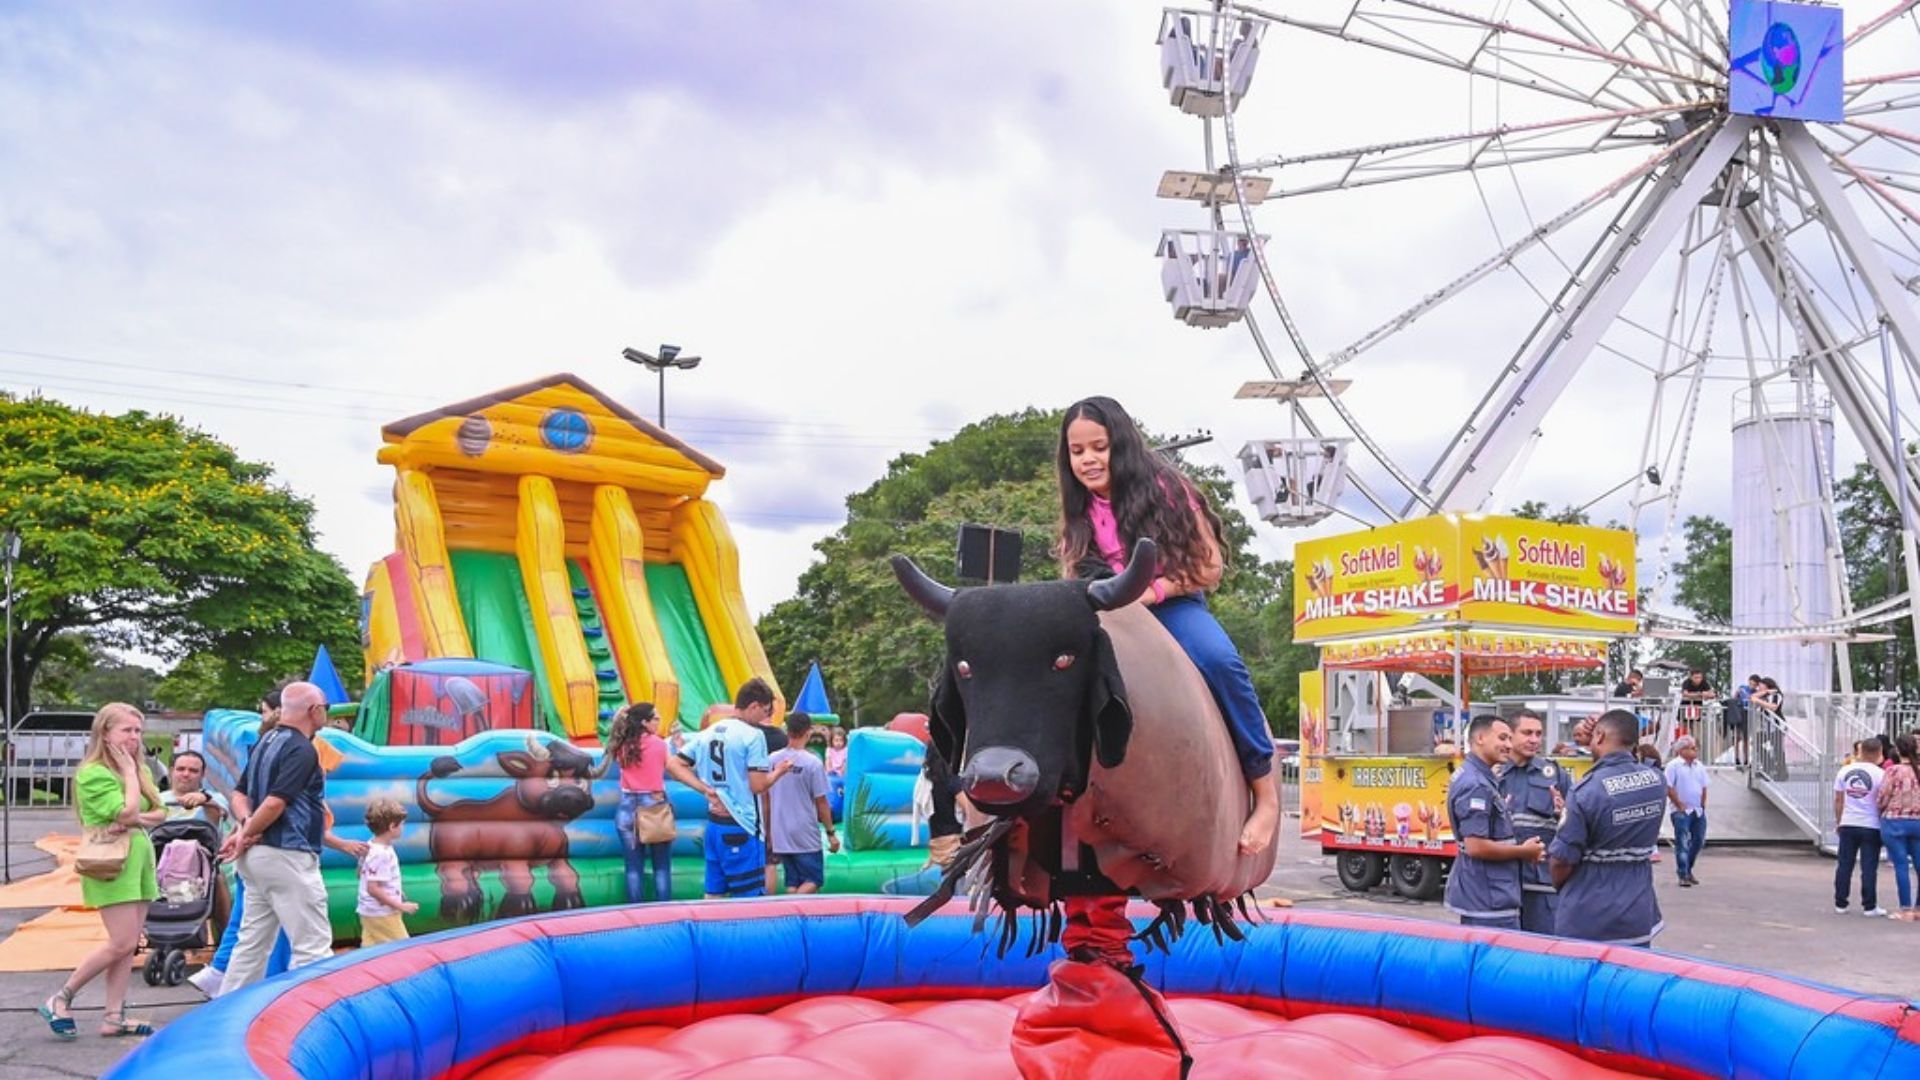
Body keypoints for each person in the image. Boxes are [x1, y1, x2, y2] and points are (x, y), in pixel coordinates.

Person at [1054, 396, 1279, 857]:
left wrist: (1151, 593)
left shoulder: (1167, 487)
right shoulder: (1078, 507)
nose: (1090, 460)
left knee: (1220, 662)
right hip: (1109, 611)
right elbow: (1074, 574)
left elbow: (1210, 566)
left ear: (1122, 443)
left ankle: (1267, 796)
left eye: (1100, 447)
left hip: (1171, 604)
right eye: (1078, 452)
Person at [40, 703, 166, 1040]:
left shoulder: (142, 772)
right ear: (105, 733)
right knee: (121, 941)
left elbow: (160, 811)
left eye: (138, 731)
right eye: (127, 730)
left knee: (129, 945)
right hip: (111, 863)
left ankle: (114, 1015)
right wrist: (129, 782)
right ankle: (62, 997)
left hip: (139, 858)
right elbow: (127, 812)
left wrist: (134, 812)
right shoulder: (94, 773)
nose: (135, 737)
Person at [216, 682, 336, 992]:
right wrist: (247, 833)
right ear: (315, 710)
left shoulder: (266, 740)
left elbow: (239, 794)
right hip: (288, 853)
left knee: (252, 944)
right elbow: (275, 803)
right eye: (327, 708)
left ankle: (226, 1013)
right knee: (312, 945)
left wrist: (244, 827)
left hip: (257, 859)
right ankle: (314, 1013)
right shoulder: (302, 749)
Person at [666, 686, 795, 899]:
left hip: (714, 825)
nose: (766, 718)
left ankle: (708, 932)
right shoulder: (753, 736)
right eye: (765, 711)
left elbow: (673, 765)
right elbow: (758, 786)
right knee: (749, 898)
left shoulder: (707, 733)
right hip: (742, 824)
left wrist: (705, 789)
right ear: (754, 706)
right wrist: (779, 771)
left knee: (713, 895)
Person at [1550, 710, 1665, 947]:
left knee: (1583, 980)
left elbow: (1561, 861)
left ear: (1600, 736)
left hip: (1589, 914)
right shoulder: (1657, 781)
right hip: (1638, 910)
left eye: (1593, 737)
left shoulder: (1586, 791)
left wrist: (1564, 888)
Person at [1444, 716, 1543, 929]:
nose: (1509, 745)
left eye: (1509, 738)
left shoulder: (1479, 777)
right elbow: (1476, 847)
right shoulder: (1476, 784)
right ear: (1480, 738)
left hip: (1488, 893)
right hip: (1489, 898)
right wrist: (1524, 852)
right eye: (1503, 738)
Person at [1496, 709, 1568, 934]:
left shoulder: (1554, 773)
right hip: (1501, 880)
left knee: (1543, 950)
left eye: (1538, 733)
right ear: (1510, 734)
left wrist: (1562, 813)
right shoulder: (1493, 774)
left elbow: (1574, 823)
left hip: (1541, 883)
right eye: (1527, 733)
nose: (1534, 739)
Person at [607, 702, 673, 903]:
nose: (659, 722)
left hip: (627, 808)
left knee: (633, 869)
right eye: (656, 718)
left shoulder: (622, 745)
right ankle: (664, 912)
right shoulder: (660, 744)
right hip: (653, 807)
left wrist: (621, 715)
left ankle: (636, 913)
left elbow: (613, 735)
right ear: (644, 722)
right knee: (661, 867)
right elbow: (670, 766)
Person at [768, 712, 840, 894]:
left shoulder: (773, 760)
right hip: (804, 832)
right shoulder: (812, 763)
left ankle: (792, 916)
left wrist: (769, 830)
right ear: (808, 733)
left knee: (792, 882)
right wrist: (831, 832)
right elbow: (822, 801)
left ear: (787, 731)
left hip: (780, 830)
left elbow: (765, 796)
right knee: (814, 880)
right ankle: (788, 908)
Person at [1833, 738, 1886, 917]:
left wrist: (1839, 821)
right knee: (1869, 867)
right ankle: (1869, 906)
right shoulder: (1881, 774)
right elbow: (1882, 800)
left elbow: (1839, 799)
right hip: (1871, 824)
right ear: (1879, 752)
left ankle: (1840, 903)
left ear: (1860, 751)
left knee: (1844, 865)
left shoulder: (1845, 771)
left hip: (1849, 822)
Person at [356, 797, 417, 945]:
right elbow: (373, 889)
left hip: (369, 911)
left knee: (372, 949)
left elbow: (361, 874)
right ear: (392, 826)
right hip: (383, 913)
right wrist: (400, 905)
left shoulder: (371, 845)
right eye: (402, 824)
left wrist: (395, 891)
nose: (403, 828)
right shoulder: (382, 853)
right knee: (401, 948)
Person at [1877, 733, 1920, 922]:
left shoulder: (1893, 771)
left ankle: (1905, 909)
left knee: (1901, 866)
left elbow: (1883, 797)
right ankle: (1918, 908)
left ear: (1897, 749)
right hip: (1917, 821)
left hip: (1894, 821)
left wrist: (1881, 809)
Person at [1664, 736, 1709, 887]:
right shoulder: (1673, 766)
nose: (1695, 750)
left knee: (1698, 840)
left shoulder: (1699, 766)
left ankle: (1688, 869)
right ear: (1682, 750)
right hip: (1681, 811)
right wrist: (1679, 804)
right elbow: (1668, 787)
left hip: (1697, 809)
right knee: (1682, 842)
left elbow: (1704, 787)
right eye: (1692, 748)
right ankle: (1683, 873)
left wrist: (1702, 805)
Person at [160, 750, 229, 829]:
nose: (186, 774)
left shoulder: (216, 798)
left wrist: (205, 800)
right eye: (181, 769)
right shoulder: (157, 799)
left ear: (202, 775)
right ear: (171, 771)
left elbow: (220, 814)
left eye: (193, 771)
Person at [1676, 668, 1715, 739]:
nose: (1698, 679)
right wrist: (1701, 694)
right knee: (1683, 733)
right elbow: (1685, 694)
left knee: (1697, 734)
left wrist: (1706, 694)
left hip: (1697, 711)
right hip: (1685, 709)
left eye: (1700, 677)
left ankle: (1696, 748)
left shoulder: (1704, 683)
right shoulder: (1686, 682)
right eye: (1696, 677)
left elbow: (1712, 694)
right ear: (1691, 677)